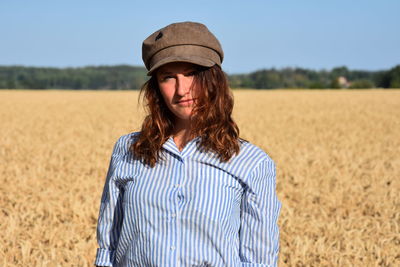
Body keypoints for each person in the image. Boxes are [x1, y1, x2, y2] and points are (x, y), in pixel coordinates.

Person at [94, 21, 281, 267]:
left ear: (214, 79)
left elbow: (258, 260)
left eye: (192, 74)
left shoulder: (252, 163)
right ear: (155, 88)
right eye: (168, 77)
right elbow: (108, 247)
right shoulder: (129, 149)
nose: (182, 90)